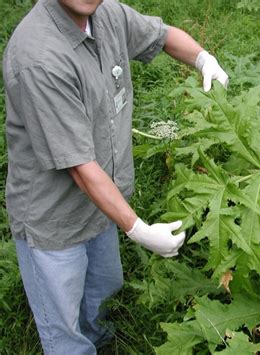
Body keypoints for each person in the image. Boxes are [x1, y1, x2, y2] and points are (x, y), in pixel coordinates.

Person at [2, 0, 229, 353]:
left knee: (103, 296)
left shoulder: (107, 14)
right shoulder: (39, 57)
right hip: (54, 221)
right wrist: (138, 229)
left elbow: (164, 35)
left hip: (104, 207)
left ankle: (104, 343)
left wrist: (203, 59)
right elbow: (79, 167)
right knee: (64, 331)